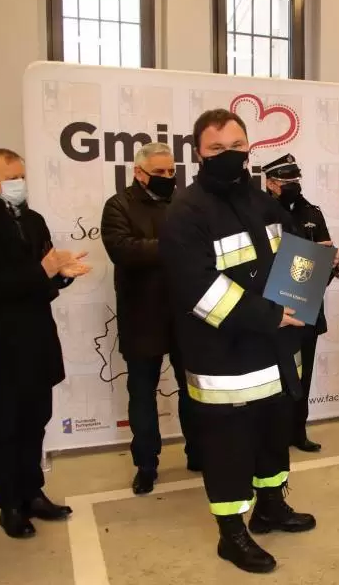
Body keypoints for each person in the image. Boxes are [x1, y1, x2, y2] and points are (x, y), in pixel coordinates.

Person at [159, 110, 316, 574]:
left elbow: (293, 255)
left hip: (273, 350)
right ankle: (232, 534)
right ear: (198, 153)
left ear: (249, 148)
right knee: (229, 449)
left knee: (273, 435)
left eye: (236, 146)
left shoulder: (263, 201)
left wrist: (314, 270)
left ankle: (271, 507)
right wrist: (271, 315)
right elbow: (198, 290)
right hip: (223, 359)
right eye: (217, 148)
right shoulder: (185, 212)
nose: (229, 155)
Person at [0, 148, 91, 539]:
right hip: (0, 345)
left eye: (22, 176)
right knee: (4, 428)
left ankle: (32, 492)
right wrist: (42, 271)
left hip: (37, 340)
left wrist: (62, 275)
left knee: (35, 422)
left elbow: (43, 282)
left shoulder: (33, 220)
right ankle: (8, 503)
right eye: (12, 178)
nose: (20, 184)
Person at [101, 142, 200, 496]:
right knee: (142, 393)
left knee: (194, 389)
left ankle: (197, 452)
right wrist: (174, 245)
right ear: (139, 173)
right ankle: (146, 464)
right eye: (159, 172)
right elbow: (123, 250)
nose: (168, 177)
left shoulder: (183, 203)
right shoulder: (118, 205)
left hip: (184, 313)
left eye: (171, 171)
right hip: (141, 315)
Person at [262, 153, 339, 453]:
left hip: (307, 306)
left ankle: (298, 431)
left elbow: (324, 257)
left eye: (296, 179)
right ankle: (273, 435)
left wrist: (331, 260)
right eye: (286, 181)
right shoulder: (258, 213)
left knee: (303, 375)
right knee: (274, 377)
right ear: (270, 183)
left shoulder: (311, 212)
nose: (293, 185)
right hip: (272, 309)